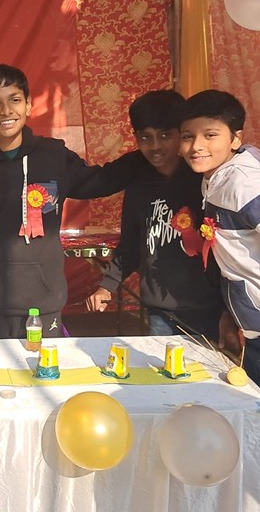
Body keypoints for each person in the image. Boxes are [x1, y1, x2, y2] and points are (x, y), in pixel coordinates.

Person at [0, 64, 141, 343]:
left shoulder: (54, 157)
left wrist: (149, 154)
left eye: (14, 100)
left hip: (44, 305)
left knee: (43, 370)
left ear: (28, 105)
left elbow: (100, 181)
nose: (6, 111)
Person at [85, 90, 237, 346]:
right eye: (146, 137)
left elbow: (228, 252)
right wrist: (106, 286)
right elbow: (131, 244)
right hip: (159, 311)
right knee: (164, 370)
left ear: (182, 134)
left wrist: (228, 310)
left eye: (165, 135)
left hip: (207, 310)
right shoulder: (138, 185)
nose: (155, 146)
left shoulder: (204, 181)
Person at [179, 89, 260, 383]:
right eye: (188, 136)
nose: (196, 146)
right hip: (250, 322)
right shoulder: (215, 176)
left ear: (235, 139)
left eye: (210, 135)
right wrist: (231, 310)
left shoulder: (245, 184)